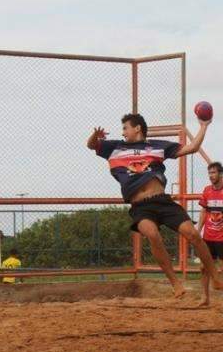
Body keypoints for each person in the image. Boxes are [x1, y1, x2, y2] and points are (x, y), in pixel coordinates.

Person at [87, 113, 223, 298]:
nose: (123, 132)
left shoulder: (157, 146)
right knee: (152, 234)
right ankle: (176, 284)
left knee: (193, 234)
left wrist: (204, 126)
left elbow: (193, 147)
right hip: (140, 206)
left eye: (126, 128)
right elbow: (91, 145)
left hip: (162, 201)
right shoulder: (115, 147)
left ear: (137, 128)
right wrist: (96, 136)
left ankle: (216, 277)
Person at [197, 161, 223, 306]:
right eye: (209, 173)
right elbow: (203, 211)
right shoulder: (207, 190)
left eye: (213, 172)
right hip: (208, 236)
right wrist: (198, 229)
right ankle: (205, 298)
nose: (211, 176)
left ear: (220, 174)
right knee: (203, 267)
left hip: (222, 237)